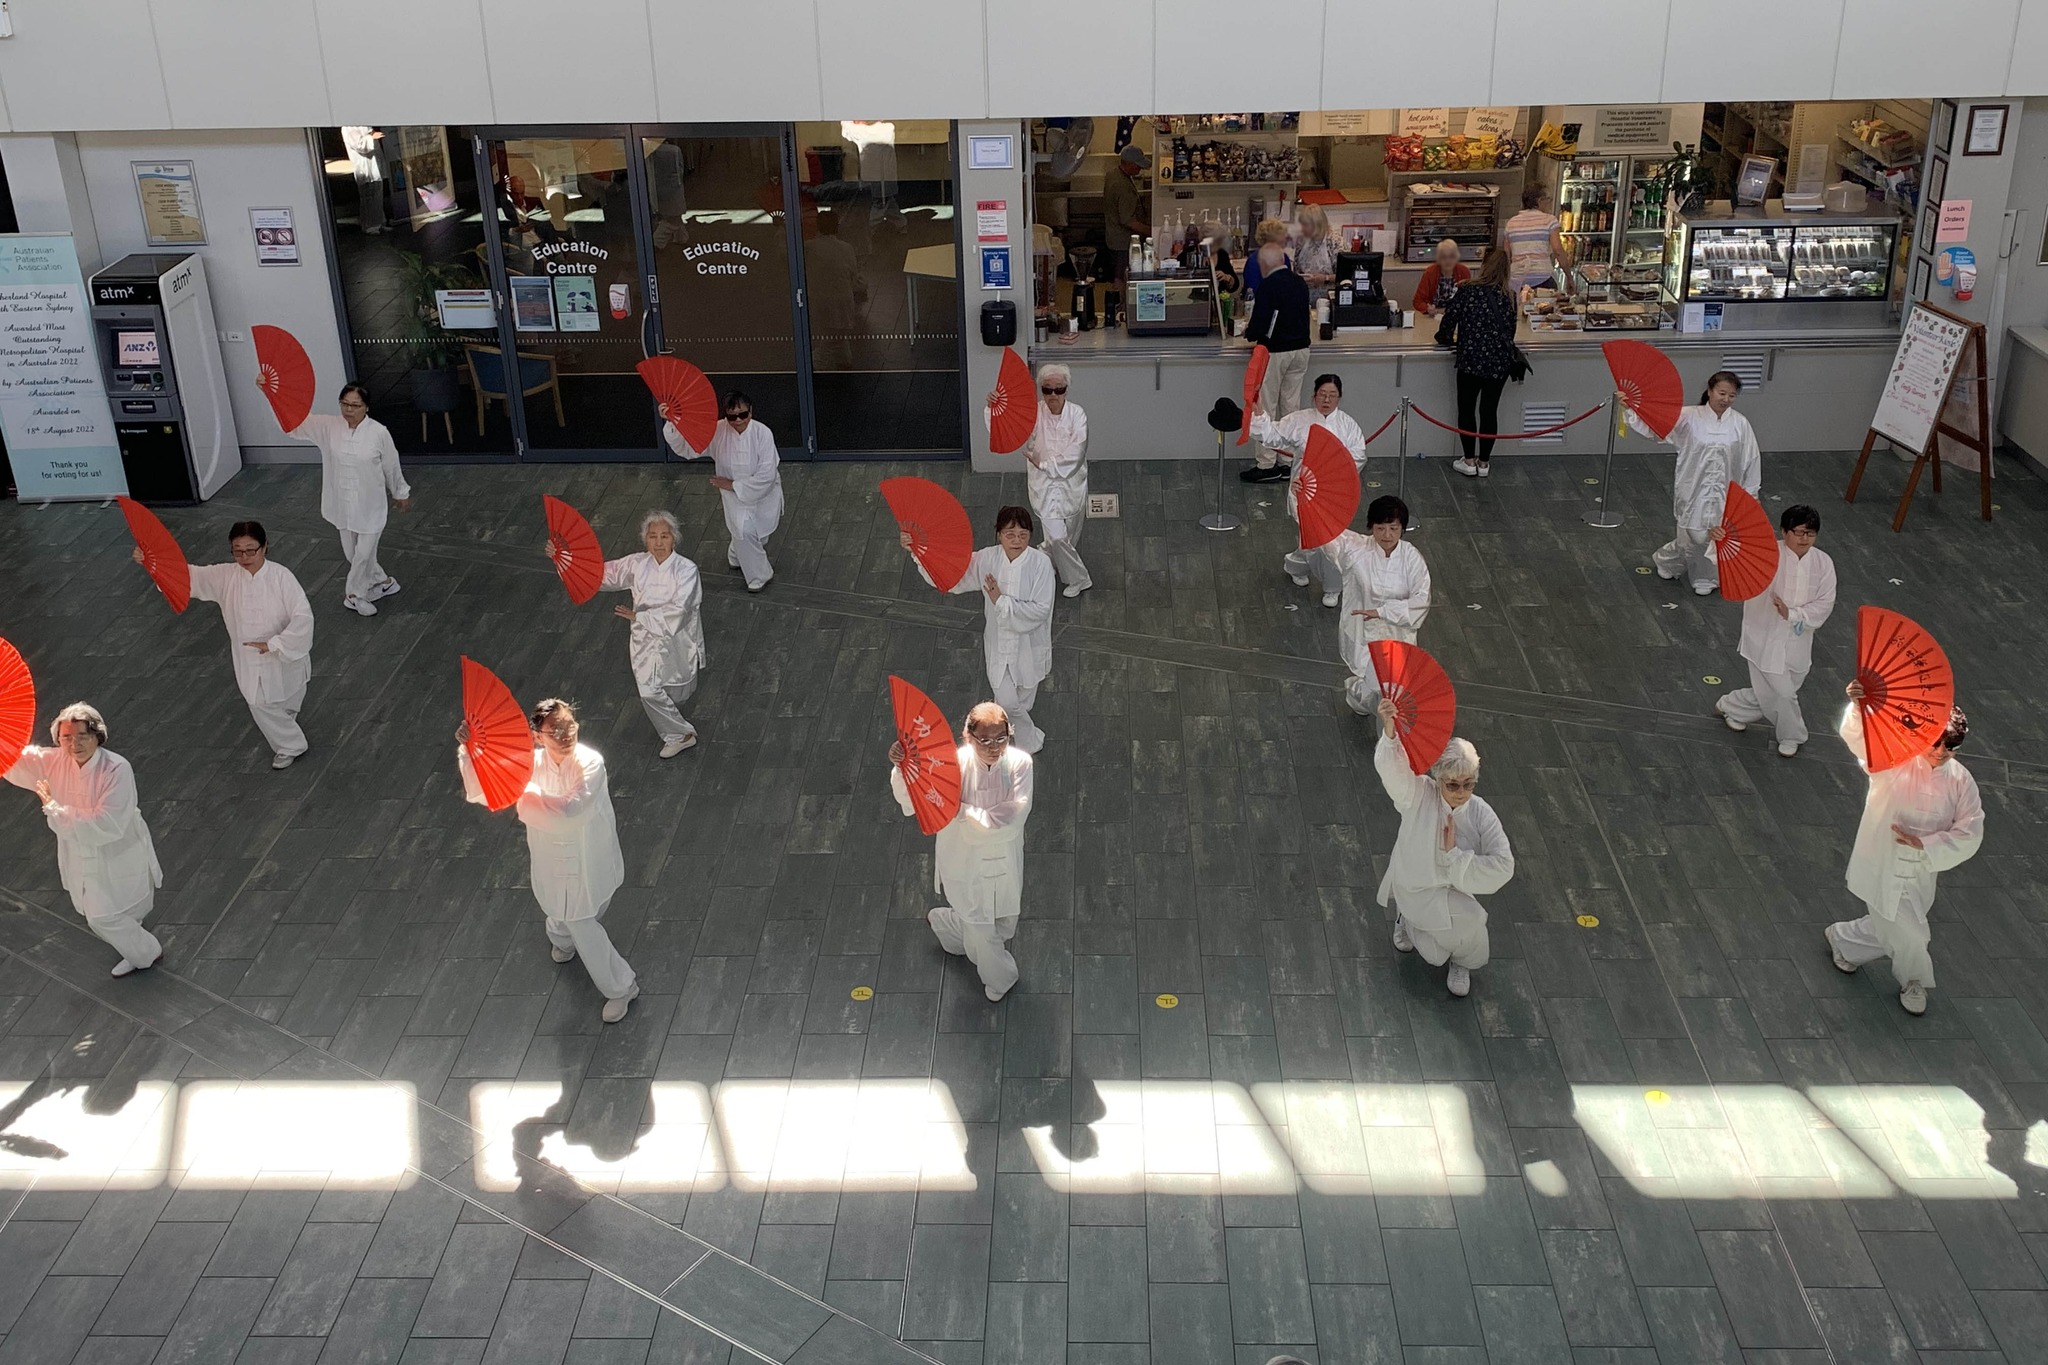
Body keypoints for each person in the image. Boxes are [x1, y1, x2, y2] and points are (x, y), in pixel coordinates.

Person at [458, 698, 639, 1023]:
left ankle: (622, 987)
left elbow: (570, 811)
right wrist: (472, 751)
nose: (565, 732)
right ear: (538, 736)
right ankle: (570, 943)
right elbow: (487, 788)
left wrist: (524, 794)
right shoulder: (529, 764)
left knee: (581, 914)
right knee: (566, 910)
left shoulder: (591, 762)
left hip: (588, 857)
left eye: (569, 724)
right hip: (551, 856)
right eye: (554, 729)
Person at [1826, 694, 1983, 1016]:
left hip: (1922, 870)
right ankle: (1914, 980)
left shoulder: (1961, 781)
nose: (1940, 753)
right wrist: (1858, 706)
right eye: (1936, 743)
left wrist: (1927, 845)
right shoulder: (1896, 758)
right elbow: (1862, 740)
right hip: (1881, 861)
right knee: (1912, 934)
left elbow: (1971, 829)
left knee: (1893, 925)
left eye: (1950, 748)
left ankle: (1842, 940)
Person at [4, 704, 164, 977]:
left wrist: (54, 808)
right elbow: (14, 757)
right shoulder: (54, 761)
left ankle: (146, 952)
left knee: (104, 914)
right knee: (104, 906)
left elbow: (107, 822)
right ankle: (133, 936)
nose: (74, 744)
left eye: (82, 736)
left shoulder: (116, 768)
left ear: (97, 736)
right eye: (66, 737)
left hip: (116, 848)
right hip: (79, 851)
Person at [889, 701, 1033, 1002]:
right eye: (985, 740)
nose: (994, 747)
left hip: (1003, 861)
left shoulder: (1020, 764)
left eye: (1001, 738)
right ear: (968, 736)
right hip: (962, 860)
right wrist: (903, 766)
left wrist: (961, 811)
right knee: (982, 929)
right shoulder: (949, 764)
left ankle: (946, 927)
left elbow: (1012, 817)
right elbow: (915, 799)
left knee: (1001, 926)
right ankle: (1002, 979)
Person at [1373, 697, 1514, 998]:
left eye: (1469, 784)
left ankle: (1461, 961)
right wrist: (1389, 731)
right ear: (1438, 779)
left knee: (1470, 924)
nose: (1461, 793)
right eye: (1452, 785)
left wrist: (1455, 858)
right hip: (1413, 885)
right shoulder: (1419, 794)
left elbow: (1504, 866)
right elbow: (1395, 776)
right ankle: (1407, 917)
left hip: (1453, 890)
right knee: (1435, 953)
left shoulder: (1480, 813)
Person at [151, 521, 314, 769]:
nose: (244, 557)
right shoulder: (225, 576)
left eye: (251, 550)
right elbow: (188, 575)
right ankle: (291, 744)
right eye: (237, 551)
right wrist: (152, 562)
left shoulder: (282, 577)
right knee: (258, 702)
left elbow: (303, 616)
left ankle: (284, 723)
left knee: (289, 696)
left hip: (283, 652)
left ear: (265, 547)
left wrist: (276, 643)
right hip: (249, 657)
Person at [901, 507, 1056, 753]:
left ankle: (1005, 734)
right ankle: (1028, 742)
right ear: (999, 535)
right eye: (1010, 534)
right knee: (1007, 702)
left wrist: (1001, 601)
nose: (1017, 540)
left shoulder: (1041, 565)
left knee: (1023, 700)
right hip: (999, 644)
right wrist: (920, 552)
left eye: (1023, 535)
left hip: (1029, 646)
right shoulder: (987, 559)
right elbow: (955, 572)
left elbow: (1041, 610)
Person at [1627, 370, 1763, 595]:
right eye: (1721, 393)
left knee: (1713, 536)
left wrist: (1751, 494)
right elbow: (1657, 425)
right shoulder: (1688, 416)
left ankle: (1704, 577)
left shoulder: (1740, 424)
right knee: (1691, 534)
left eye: (1731, 395)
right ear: (1710, 391)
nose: (1725, 399)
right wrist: (1632, 408)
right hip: (1693, 487)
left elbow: (1751, 459)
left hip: (1726, 491)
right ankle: (1668, 560)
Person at [1715, 505, 1836, 757]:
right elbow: (1732, 560)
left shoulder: (1823, 562)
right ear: (1784, 531)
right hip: (1764, 637)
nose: (1804, 539)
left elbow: (1825, 602)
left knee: (1778, 691)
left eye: (1810, 534)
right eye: (1799, 532)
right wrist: (1718, 540)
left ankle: (1732, 706)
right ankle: (1793, 736)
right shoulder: (1766, 554)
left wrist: (1793, 614)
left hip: (1800, 640)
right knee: (1784, 694)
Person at [287, 383, 411, 618]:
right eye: (344, 404)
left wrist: (400, 493)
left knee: (363, 554)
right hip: (341, 504)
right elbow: (296, 423)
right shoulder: (328, 427)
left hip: (370, 504)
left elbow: (391, 465)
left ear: (366, 407)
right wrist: (271, 394)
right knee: (352, 554)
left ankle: (354, 596)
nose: (349, 410)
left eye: (355, 405)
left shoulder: (378, 432)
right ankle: (384, 582)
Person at [1248, 373, 1368, 607]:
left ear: (1339, 398)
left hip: (1333, 494)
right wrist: (1259, 410)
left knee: (1324, 542)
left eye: (1332, 395)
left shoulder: (1348, 426)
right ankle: (1328, 583)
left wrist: (1334, 476)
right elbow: (1272, 435)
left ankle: (1308, 573)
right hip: (1303, 489)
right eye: (1322, 394)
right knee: (1318, 542)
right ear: (1314, 396)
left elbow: (1357, 457)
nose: (1327, 399)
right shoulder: (1300, 420)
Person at [597, 510, 706, 759]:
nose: (658, 543)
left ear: (674, 539)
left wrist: (640, 616)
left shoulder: (686, 569)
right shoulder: (636, 564)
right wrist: (565, 560)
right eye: (653, 536)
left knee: (673, 689)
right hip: (644, 640)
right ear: (645, 539)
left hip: (675, 640)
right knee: (648, 691)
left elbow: (681, 609)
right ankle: (680, 735)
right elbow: (603, 574)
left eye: (664, 536)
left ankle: (676, 730)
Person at [665, 389, 783, 592]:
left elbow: (767, 474)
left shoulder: (763, 433)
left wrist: (735, 485)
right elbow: (689, 448)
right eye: (732, 416)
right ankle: (759, 575)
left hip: (763, 494)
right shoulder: (717, 430)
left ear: (751, 412)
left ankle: (736, 554)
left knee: (759, 535)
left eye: (743, 415)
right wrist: (672, 421)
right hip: (734, 498)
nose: (738, 420)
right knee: (744, 531)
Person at [995, 362, 1091, 599]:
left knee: (1067, 536)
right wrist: (995, 407)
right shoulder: (1033, 413)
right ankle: (1079, 578)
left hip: (1072, 485)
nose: (1053, 395)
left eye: (1059, 390)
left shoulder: (1077, 415)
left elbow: (1076, 452)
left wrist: (1047, 464)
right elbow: (1010, 425)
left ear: (1067, 390)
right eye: (1047, 390)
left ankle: (1046, 556)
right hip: (1044, 488)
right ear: (1041, 390)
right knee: (1059, 537)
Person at [1328, 496, 1431, 717]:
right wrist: (1303, 500)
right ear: (1370, 527)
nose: (1387, 535)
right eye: (1380, 528)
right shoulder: (1355, 549)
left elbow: (1421, 600)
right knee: (1378, 689)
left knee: (1391, 693)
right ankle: (1358, 693)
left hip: (1397, 637)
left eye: (1393, 528)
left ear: (1402, 528)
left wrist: (1382, 612)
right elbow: (1324, 529)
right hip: (1363, 633)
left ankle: (1361, 698)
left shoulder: (1411, 558)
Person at [1435, 247, 1519, 478]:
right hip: (1499, 363)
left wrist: (1444, 338)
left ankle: (1468, 459)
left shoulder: (1467, 290)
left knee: (1467, 409)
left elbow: (1448, 322)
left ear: (1484, 265)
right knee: (1489, 411)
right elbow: (1511, 331)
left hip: (1471, 360)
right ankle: (1484, 463)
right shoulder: (1510, 296)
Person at [1241, 242, 1313, 483]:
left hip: (1276, 352)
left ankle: (1266, 463)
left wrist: (1249, 333)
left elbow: (1261, 324)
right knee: (1291, 406)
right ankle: (1288, 459)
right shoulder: (1299, 282)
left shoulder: (1269, 286)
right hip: (1301, 349)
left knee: (1266, 407)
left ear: (1264, 264)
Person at [1501, 184, 1571, 293]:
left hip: (1517, 280)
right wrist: (1569, 277)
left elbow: (1506, 255)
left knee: (1519, 308)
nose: (1549, 203)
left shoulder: (1511, 223)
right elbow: (1558, 251)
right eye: (1548, 199)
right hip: (1543, 278)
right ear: (1539, 201)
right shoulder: (1549, 221)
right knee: (1545, 308)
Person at [1102, 145, 1152, 250]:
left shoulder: (1113, 174)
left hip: (1112, 237)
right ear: (1129, 164)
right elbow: (1129, 222)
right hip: (1123, 244)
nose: (1140, 169)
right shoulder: (1123, 187)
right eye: (1138, 166)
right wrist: (1152, 232)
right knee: (1124, 266)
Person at [341, 126, 387, 235]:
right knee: (368, 196)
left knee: (377, 194)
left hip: (374, 163)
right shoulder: (348, 127)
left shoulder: (362, 123)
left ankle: (380, 222)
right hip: (364, 166)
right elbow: (359, 144)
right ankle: (370, 226)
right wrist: (371, 137)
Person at [1411, 238, 1472, 316]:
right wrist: (1427, 308)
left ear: (1457, 257)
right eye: (1444, 257)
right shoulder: (1430, 273)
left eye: (1451, 256)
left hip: (1457, 315)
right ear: (1438, 259)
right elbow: (1418, 301)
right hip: (1434, 315)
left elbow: (1469, 300)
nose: (1448, 261)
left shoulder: (1464, 272)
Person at [1293, 204, 1337, 302]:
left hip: (1328, 301)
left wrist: (1326, 278)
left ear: (1316, 224)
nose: (1302, 228)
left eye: (1305, 225)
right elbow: (1296, 269)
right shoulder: (1301, 241)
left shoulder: (1335, 242)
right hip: (1304, 298)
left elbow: (1346, 276)